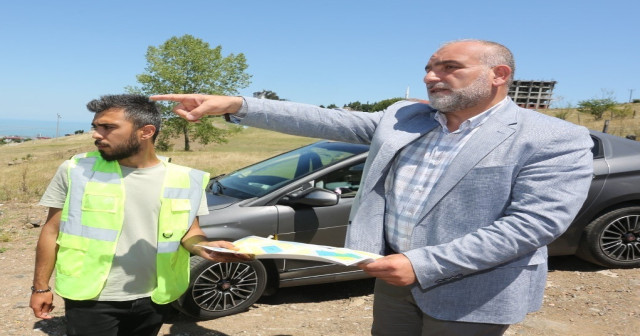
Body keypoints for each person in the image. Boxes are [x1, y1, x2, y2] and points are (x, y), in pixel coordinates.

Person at [151, 39, 594, 336]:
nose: (430, 76)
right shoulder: (408, 117)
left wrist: (422, 264)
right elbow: (323, 119)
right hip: (391, 279)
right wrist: (237, 105)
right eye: (428, 68)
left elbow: (531, 226)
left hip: (474, 289)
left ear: (497, 74)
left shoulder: (553, 138)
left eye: (448, 68)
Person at [30, 95, 249, 336]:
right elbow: (51, 231)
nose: (95, 134)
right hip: (91, 297)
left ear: (146, 132)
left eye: (108, 127)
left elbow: (190, 232)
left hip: (156, 296)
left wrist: (203, 247)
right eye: (96, 127)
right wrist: (40, 288)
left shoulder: (187, 180)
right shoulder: (76, 170)